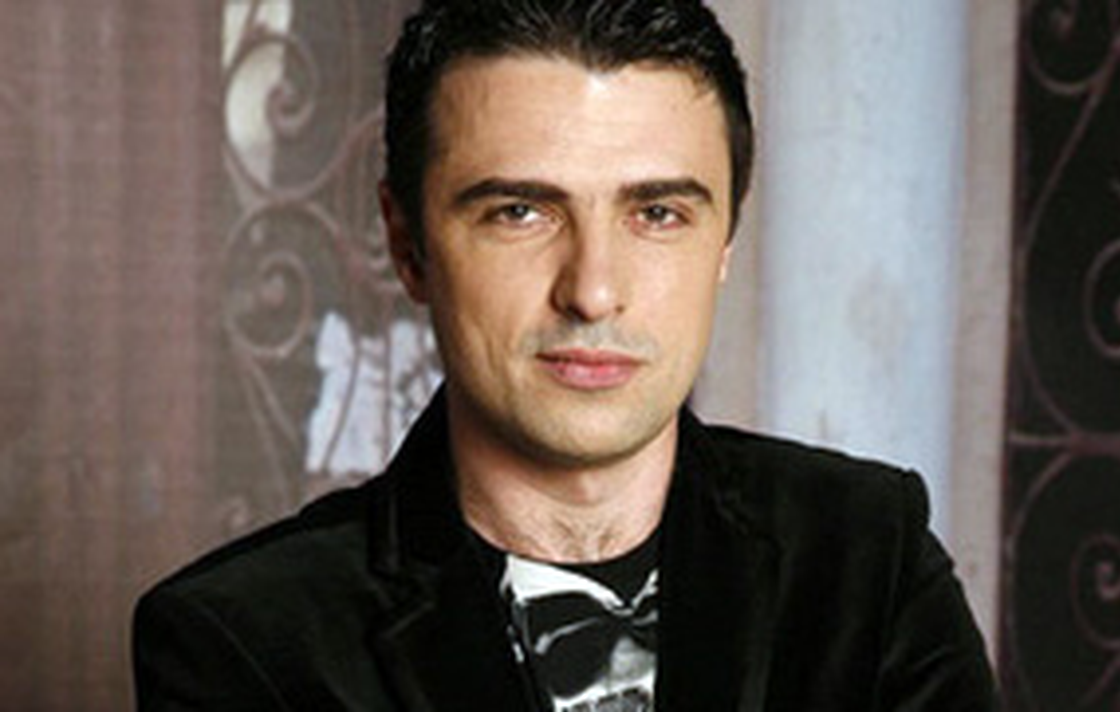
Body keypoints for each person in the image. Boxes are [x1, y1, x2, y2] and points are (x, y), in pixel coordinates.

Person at [132, 0, 996, 709]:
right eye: (520, 212)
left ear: (724, 242)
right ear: (407, 244)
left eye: (657, 213)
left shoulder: (868, 560)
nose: (593, 290)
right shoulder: (245, 641)